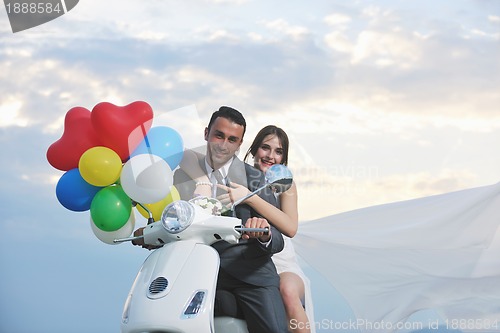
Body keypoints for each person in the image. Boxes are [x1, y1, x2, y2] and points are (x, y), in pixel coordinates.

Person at [182, 125, 314, 333]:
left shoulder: (285, 184)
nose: (270, 156)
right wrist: (202, 182)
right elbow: (188, 155)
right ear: (253, 149)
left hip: (281, 261)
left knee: (287, 291)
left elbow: (290, 227)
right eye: (265, 148)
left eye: (278, 151)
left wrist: (249, 198)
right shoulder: (236, 175)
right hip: (246, 260)